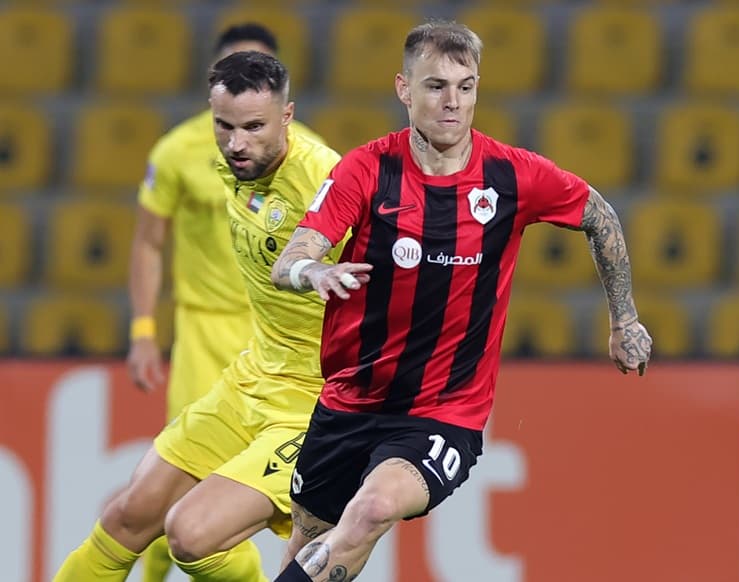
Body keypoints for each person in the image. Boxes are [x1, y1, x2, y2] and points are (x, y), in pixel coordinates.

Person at [269, 19, 653, 581]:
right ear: (404, 88)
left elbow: (599, 215)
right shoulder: (367, 168)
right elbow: (292, 258)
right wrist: (311, 271)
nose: (453, 102)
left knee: (372, 509)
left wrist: (626, 319)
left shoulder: (511, 176)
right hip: (350, 399)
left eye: (465, 86)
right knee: (311, 537)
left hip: (445, 412)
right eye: (435, 86)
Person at [53, 52, 342, 582]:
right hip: (252, 379)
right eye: (224, 126)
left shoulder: (328, 178)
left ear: (288, 116)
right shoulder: (226, 165)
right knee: (127, 517)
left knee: (190, 536)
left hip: (316, 404)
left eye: (254, 127)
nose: (236, 143)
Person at [126, 23, 324, 582]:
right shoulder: (179, 151)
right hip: (204, 334)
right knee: (168, 499)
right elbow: (147, 240)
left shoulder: (309, 162)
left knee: (254, 508)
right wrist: (144, 328)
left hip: (284, 345)